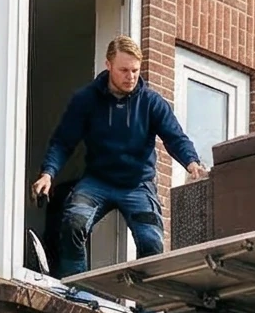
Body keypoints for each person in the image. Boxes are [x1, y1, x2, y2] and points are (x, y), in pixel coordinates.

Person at [31, 36, 208, 276]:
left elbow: (175, 137)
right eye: (124, 70)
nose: (131, 77)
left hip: (137, 184)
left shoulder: (151, 103)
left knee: (151, 242)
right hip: (98, 180)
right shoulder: (86, 100)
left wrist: (192, 163)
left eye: (135, 70)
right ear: (109, 65)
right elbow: (63, 142)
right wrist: (48, 173)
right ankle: (78, 290)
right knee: (73, 223)